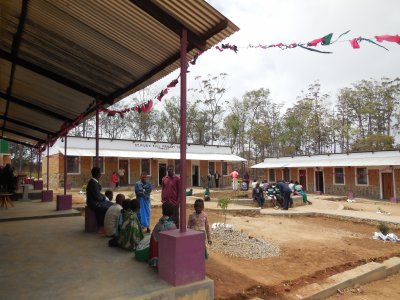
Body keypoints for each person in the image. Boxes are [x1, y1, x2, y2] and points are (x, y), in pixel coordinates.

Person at [148, 203, 177, 268]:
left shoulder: (160, 221)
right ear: (172, 213)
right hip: (161, 247)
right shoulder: (172, 225)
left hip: (155, 242)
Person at [86, 167, 113, 234]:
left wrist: (104, 197)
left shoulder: (94, 182)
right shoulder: (93, 183)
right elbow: (97, 197)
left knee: (111, 205)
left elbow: (98, 193)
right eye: (100, 173)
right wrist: (104, 198)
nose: (101, 174)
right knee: (105, 208)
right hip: (92, 203)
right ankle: (101, 227)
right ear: (98, 174)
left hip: (96, 201)